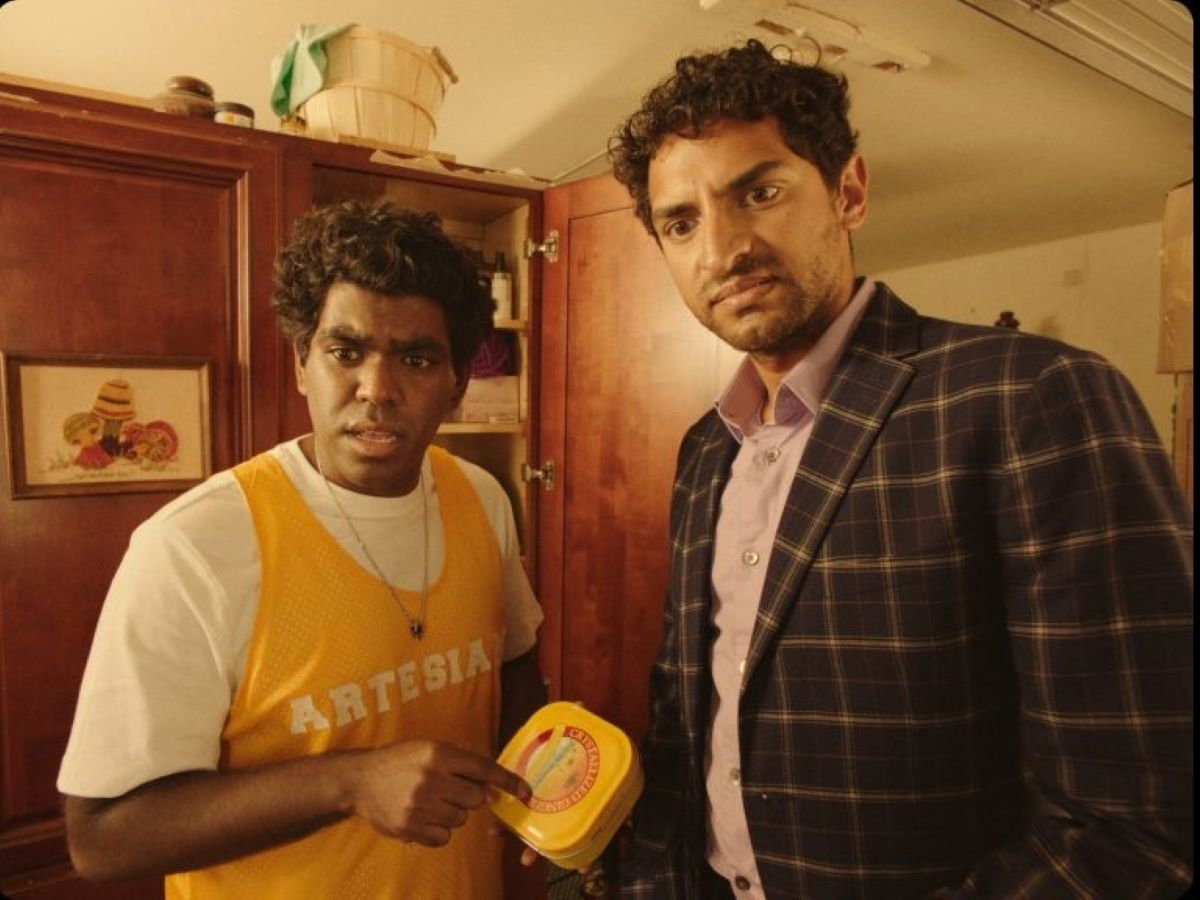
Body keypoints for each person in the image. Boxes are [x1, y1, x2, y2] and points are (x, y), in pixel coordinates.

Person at [608, 40, 1193, 899]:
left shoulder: (1029, 397)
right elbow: (683, 711)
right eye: (681, 223)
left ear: (849, 191)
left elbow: (1137, 823)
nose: (721, 250)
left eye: (759, 193)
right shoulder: (705, 448)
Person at [57, 200, 547, 899]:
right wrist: (351, 783)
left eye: (415, 358)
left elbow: (514, 663)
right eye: (345, 352)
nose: (376, 390)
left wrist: (538, 785)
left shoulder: (482, 498)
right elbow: (102, 836)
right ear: (301, 364)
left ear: (457, 383)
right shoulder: (194, 547)